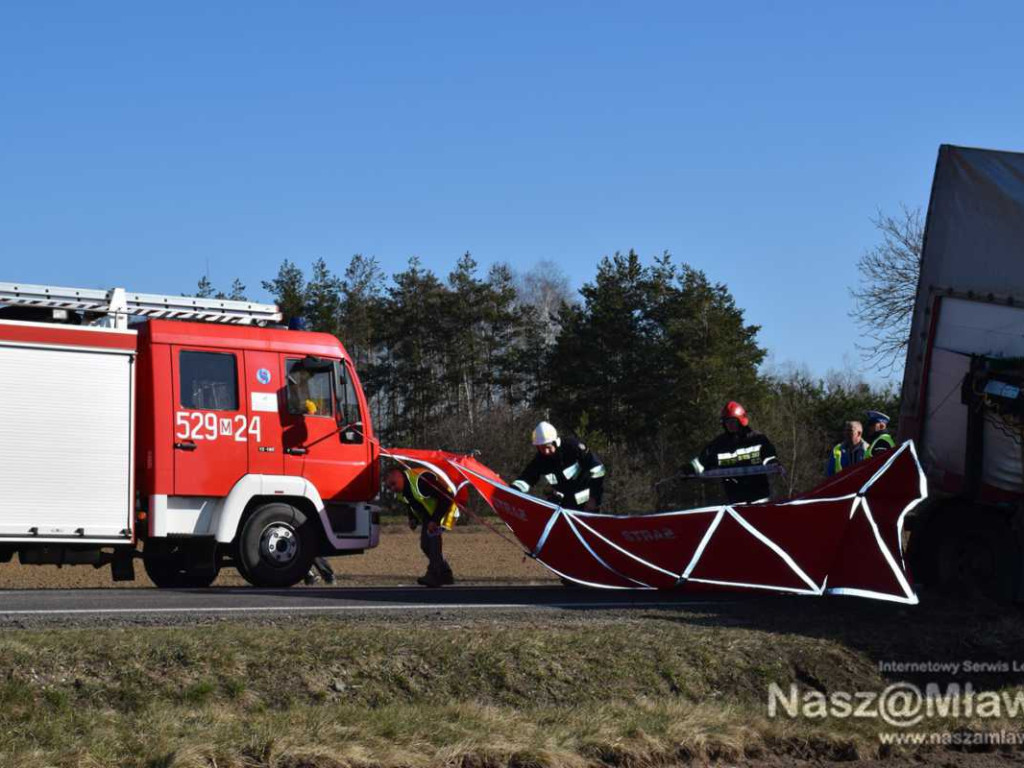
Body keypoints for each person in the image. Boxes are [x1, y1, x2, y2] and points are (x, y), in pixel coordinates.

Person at [685, 401, 779, 504]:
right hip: (735, 501)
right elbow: (702, 461)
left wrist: (772, 463)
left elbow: (770, 456)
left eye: (733, 421)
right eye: (727, 422)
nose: (730, 425)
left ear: (741, 421)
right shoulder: (718, 444)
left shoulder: (757, 439)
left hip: (760, 499)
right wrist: (689, 469)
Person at [384, 466, 457, 587]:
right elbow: (411, 505)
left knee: (433, 544)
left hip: (445, 509)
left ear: (399, 475)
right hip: (429, 516)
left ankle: (435, 575)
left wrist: (435, 520)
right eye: (389, 487)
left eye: (393, 484)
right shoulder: (402, 492)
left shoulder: (421, 480)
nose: (393, 489)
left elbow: (446, 497)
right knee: (425, 545)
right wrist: (413, 519)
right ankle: (445, 574)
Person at [512, 422, 607, 511]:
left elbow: (598, 469)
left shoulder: (573, 448)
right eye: (541, 448)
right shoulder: (540, 459)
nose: (546, 452)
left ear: (555, 442)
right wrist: (511, 491)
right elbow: (527, 478)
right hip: (563, 503)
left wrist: (593, 498)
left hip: (586, 502)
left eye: (548, 447)